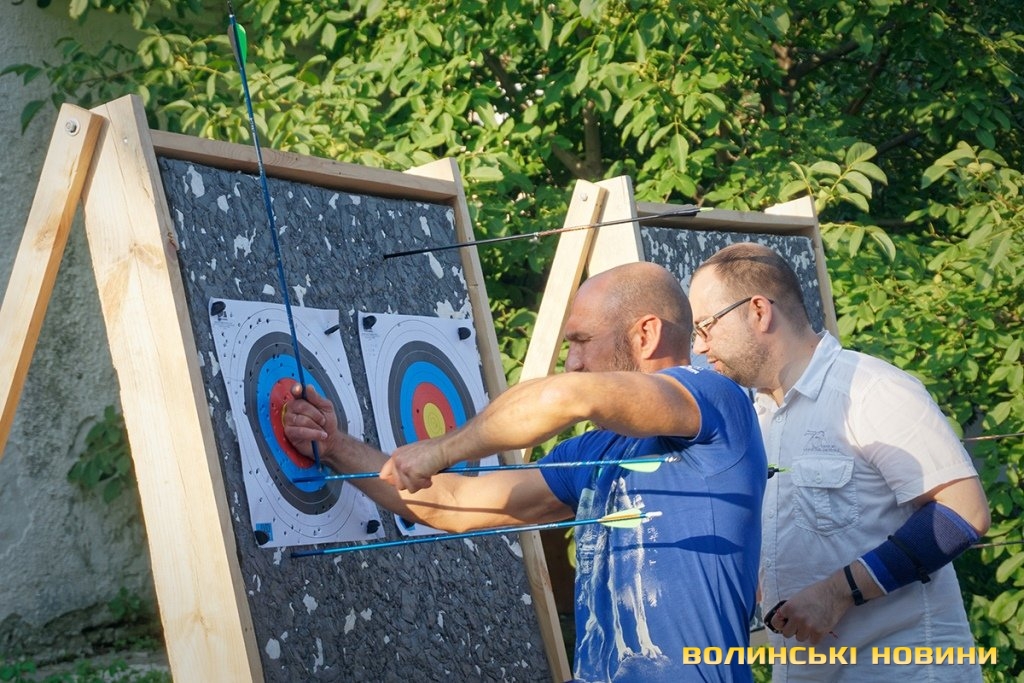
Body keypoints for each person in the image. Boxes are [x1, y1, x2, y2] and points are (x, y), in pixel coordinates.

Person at [283, 261, 766, 683]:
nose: (573, 362)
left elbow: (563, 397)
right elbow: (452, 504)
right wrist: (336, 447)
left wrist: (442, 449)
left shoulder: (714, 396)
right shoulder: (594, 451)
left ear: (646, 334)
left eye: (583, 341)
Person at [687, 242, 990, 681]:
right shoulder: (756, 419)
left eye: (706, 327)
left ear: (758, 311)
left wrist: (838, 592)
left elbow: (963, 513)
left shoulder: (872, 389)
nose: (699, 347)